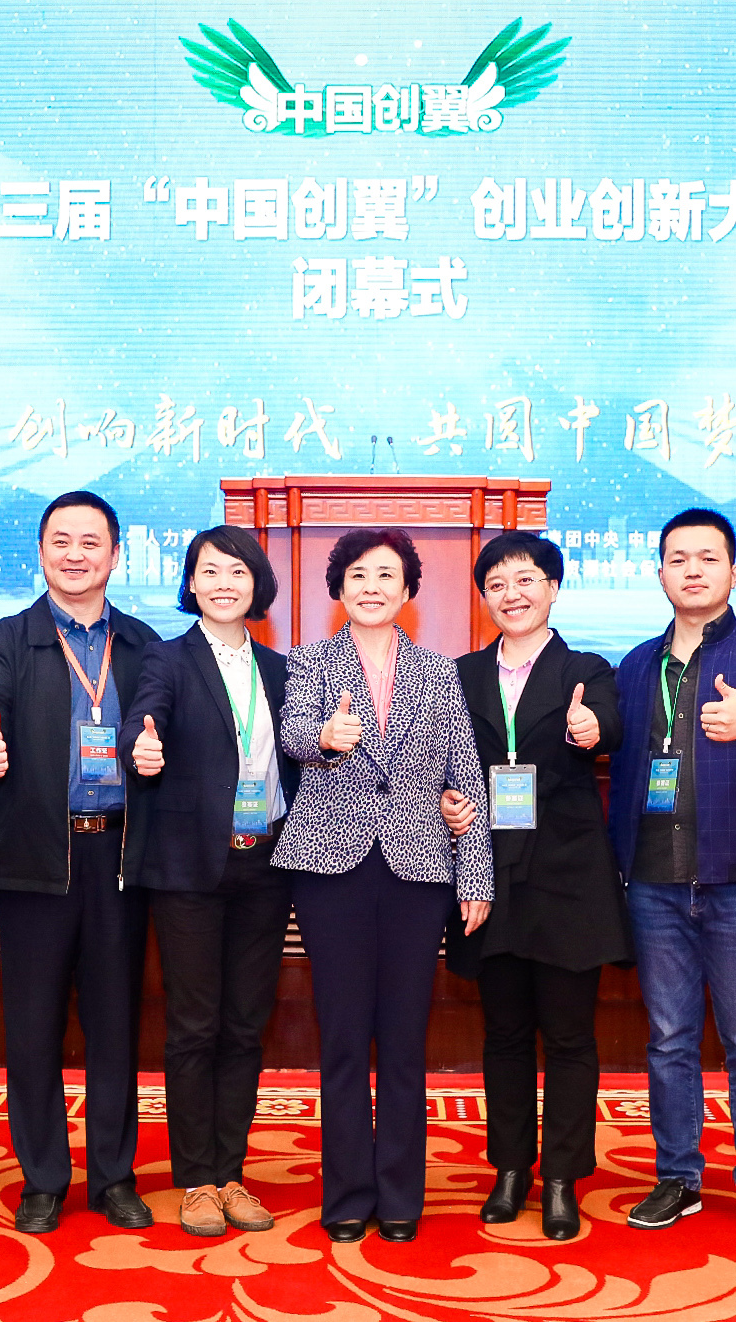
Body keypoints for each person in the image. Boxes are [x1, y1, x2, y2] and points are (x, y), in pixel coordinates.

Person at [0, 490, 162, 1235]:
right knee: (33, 1027)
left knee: (115, 1026)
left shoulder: (143, 644)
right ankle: (42, 1178)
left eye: (91, 542)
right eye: (61, 541)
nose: (76, 555)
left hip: (118, 858)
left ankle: (113, 1176)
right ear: (41, 552)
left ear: (115, 555)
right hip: (35, 858)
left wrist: (159, 749)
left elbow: (167, 727)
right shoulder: (4, 641)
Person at [274, 528, 491, 1244]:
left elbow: (465, 778)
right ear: (338, 588)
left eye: (386, 576)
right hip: (328, 869)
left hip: (417, 869)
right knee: (341, 1036)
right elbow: (292, 735)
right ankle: (345, 1194)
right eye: (358, 575)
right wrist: (323, 738)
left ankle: (400, 1194)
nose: (371, 587)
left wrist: (476, 874)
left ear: (407, 591)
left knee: (402, 1037)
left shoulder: (438, 672)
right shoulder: (309, 662)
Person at [608, 509, 736, 1243]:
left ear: (733, 571)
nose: (692, 570)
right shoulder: (637, 665)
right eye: (678, 558)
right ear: (659, 573)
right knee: (668, 1037)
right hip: (654, 879)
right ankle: (678, 1176)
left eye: (707, 558)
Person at [443, 530, 626, 1243]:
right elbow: (439, 762)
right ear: (484, 598)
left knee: (570, 1035)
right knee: (505, 1032)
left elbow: (609, 727)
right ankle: (510, 1168)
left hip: (566, 877)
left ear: (552, 588)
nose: (511, 595)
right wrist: (445, 799)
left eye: (525, 580)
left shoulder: (587, 669)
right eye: (496, 584)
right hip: (488, 873)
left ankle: (560, 1178)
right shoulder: (459, 675)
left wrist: (589, 728)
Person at [127, 525, 293, 1238]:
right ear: (191, 583)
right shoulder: (166, 659)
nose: (224, 583)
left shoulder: (283, 668)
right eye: (210, 571)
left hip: (267, 864)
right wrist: (141, 744)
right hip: (190, 867)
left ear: (257, 584)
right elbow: (145, 718)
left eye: (238, 571)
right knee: (194, 1026)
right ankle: (196, 1179)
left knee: (245, 1025)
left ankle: (231, 1172)